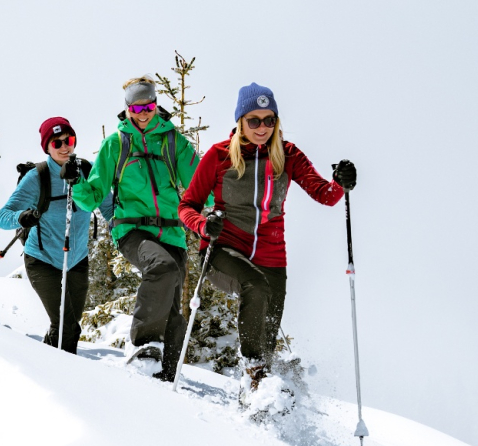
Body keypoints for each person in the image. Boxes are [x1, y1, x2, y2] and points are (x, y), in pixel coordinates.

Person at [178, 82, 356, 391]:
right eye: (254, 120)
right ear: (241, 121)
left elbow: (325, 195)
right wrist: (204, 225)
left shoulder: (287, 154)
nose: (262, 127)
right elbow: (187, 206)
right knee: (254, 285)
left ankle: (259, 399)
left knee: (267, 337)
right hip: (224, 251)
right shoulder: (220, 155)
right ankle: (253, 369)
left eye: (269, 120)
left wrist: (341, 182)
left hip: (272, 257)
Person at [68, 76, 203, 382]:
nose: (144, 113)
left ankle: (167, 376)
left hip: (172, 233)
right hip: (132, 230)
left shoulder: (173, 141)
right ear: (127, 108)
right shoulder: (116, 144)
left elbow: (199, 185)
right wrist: (76, 182)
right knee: (162, 267)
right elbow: (93, 197)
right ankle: (142, 347)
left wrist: (223, 195)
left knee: (172, 307)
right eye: (137, 108)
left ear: (156, 105)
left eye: (149, 106)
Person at [0, 118, 103, 354]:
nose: (65, 147)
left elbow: (108, 206)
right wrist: (21, 217)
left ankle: (47, 363)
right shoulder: (37, 177)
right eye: (57, 143)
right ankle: (63, 371)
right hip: (42, 260)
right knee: (66, 325)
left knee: (68, 325)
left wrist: (124, 232)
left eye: (69, 140)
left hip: (77, 259)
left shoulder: (87, 171)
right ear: (47, 147)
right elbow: (2, 217)